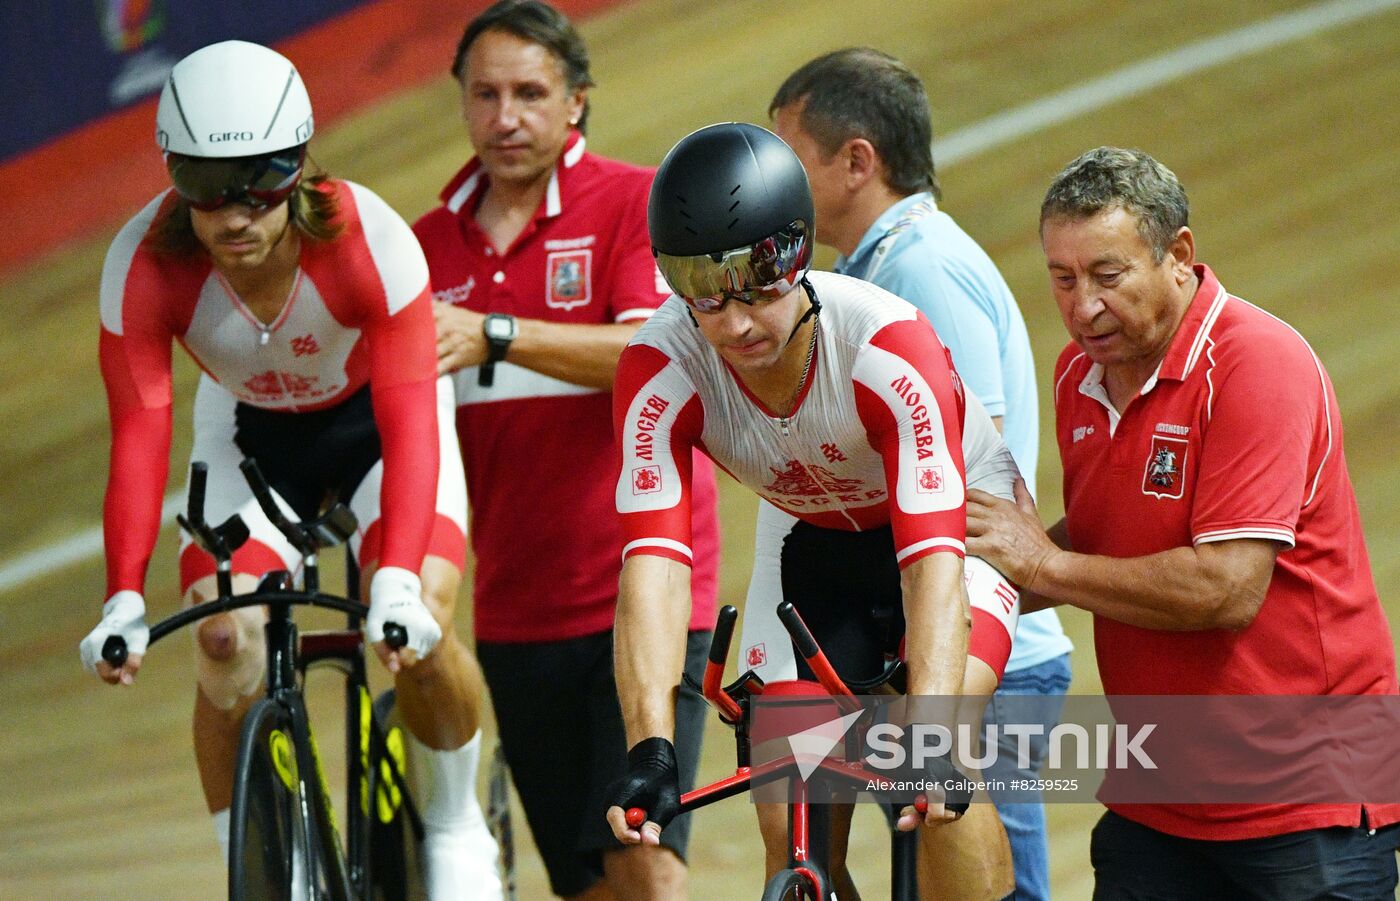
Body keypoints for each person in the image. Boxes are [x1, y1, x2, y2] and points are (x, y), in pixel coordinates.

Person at [78, 40, 501, 900]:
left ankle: (457, 829)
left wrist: (393, 586)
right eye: (205, 185)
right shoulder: (143, 263)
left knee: (423, 624)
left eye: (261, 181)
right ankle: (259, 865)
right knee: (223, 642)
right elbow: (139, 435)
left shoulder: (368, 240)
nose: (236, 214)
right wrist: (123, 592)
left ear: (300, 163)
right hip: (247, 441)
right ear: (172, 176)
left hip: (377, 434)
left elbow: (413, 423)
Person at [966, 146, 1400, 898]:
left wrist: (1041, 565)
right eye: (1062, 279)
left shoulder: (1257, 365)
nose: (1082, 306)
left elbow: (1226, 587)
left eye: (1108, 276)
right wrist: (968, 578)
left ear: (1180, 255)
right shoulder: (1082, 375)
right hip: (1160, 790)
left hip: (1307, 798)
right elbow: (1105, 541)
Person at [603, 121, 1017, 901]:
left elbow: (931, 565)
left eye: (759, 282)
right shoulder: (658, 371)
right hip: (807, 541)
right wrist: (651, 746)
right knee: (788, 813)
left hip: (955, 532)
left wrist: (927, 730)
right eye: (703, 289)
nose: (736, 323)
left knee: (933, 762)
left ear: (799, 255)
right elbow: (652, 566)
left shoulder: (886, 349)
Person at [410, 3, 721, 898]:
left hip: (647, 594)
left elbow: (648, 351)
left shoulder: (633, 203)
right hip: (515, 615)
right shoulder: (425, 246)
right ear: (463, 105)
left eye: (531, 94)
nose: (506, 116)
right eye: (486, 94)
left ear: (577, 102)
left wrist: (494, 333)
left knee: (645, 859)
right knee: (586, 885)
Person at [769, 47, 1073, 901]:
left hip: (984, 662)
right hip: (929, 650)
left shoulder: (917, 270)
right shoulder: (875, 269)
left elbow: (978, 475)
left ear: (857, 160)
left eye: (789, 158)